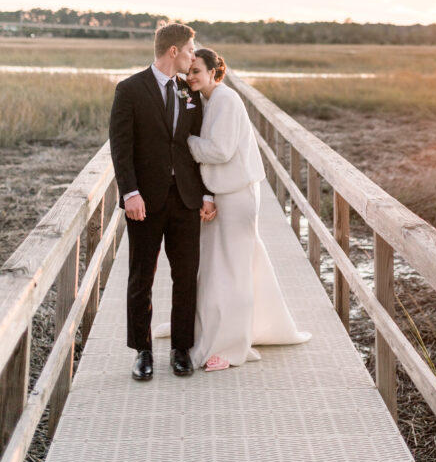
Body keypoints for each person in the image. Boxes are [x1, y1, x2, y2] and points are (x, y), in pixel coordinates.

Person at [158, 47, 310, 370]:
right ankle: (215, 332)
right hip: (222, 193)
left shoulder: (226, 101)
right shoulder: (208, 101)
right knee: (217, 269)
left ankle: (231, 348)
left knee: (233, 272)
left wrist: (181, 141)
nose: (191, 77)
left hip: (238, 197)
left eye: (197, 71)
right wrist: (208, 195)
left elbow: (221, 151)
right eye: (189, 71)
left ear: (214, 72)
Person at [108, 22, 216, 382]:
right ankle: (142, 350)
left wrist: (205, 192)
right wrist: (130, 193)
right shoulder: (130, 90)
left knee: (186, 275)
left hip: (185, 199)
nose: (191, 56)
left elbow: (194, 144)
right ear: (174, 51)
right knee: (142, 276)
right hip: (146, 201)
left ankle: (181, 348)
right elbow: (121, 147)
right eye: (189, 50)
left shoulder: (189, 91)